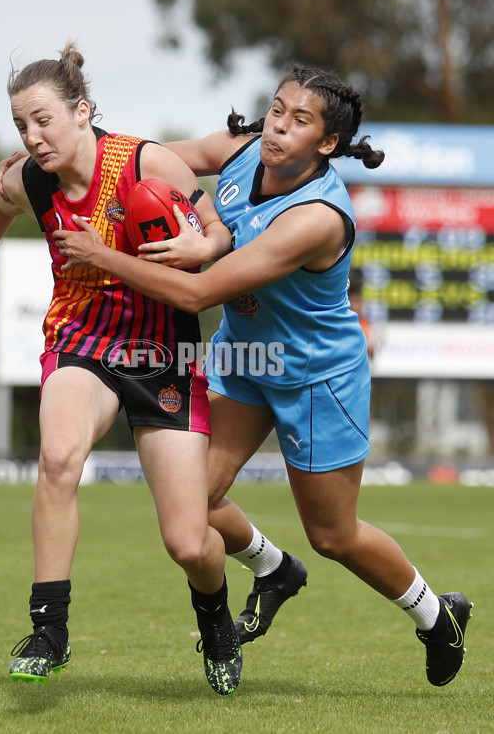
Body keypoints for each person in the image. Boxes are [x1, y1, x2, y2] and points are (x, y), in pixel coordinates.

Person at [36, 63, 472, 687]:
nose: (277, 128)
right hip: (245, 360)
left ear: (326, 143)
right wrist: (54, 142)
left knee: (333, 534)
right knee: (196, 500)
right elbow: (132, 163)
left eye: (300, 121)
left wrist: (110, 255)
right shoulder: (237, 152)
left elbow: (198, 294)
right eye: (276, 110)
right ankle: (273, 570)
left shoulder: (316, 216)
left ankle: (436, 616)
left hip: (316, 376)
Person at [0, 42, 244, 696]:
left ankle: (215, 619)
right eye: (20, 127)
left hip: (161, 352)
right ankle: (49, 628)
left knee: (187, 541)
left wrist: (201, 244)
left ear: (82, 110)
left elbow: (218, 230)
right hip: (80, 339)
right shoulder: (31, 178)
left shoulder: (148, 162)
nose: (32, 138)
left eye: (43, 120)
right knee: (59, 457)